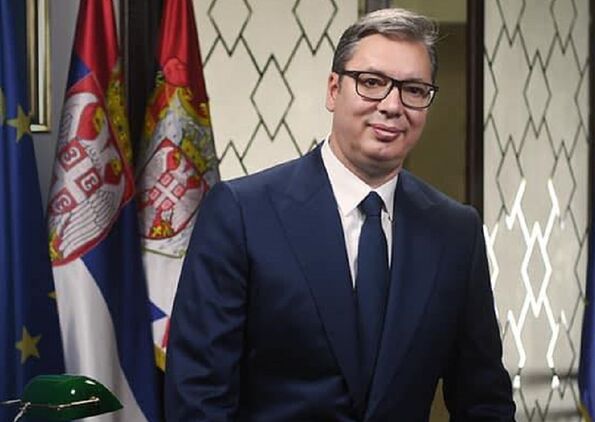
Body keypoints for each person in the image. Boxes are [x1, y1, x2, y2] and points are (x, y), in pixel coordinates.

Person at [165, 8, 516, 421]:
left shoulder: (455, 231)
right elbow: (199, 397)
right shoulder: (241, 213)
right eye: (372, 83)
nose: (392, 105)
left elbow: (484, 400)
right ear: (334, 90)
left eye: (414, 90)